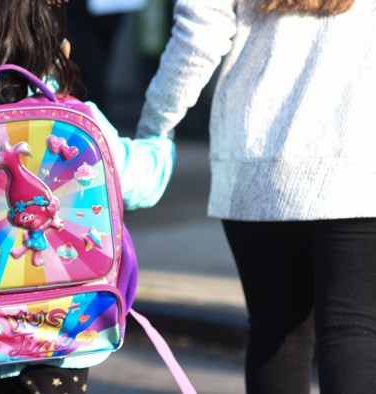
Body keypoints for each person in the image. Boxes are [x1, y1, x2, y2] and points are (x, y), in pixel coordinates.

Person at [0, 0, 176, 392]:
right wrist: (161, 142)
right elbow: (143, 183)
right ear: (65, 50)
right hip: (73, 323)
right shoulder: (81, 118)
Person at [134, 0, 376, 393]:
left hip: (259, 156)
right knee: (354, 330)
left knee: (276, 331)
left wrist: (153, 127)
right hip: (359, 157)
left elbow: (199, 31)